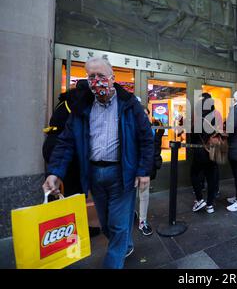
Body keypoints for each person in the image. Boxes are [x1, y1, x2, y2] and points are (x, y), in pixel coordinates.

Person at [43, 57, 154, 269]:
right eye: (91, 76)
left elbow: (146, 139)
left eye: (101, 76)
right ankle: (126, 243)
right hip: (94, 175)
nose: (96, 81)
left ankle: (115, 258)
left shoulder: (130, 105)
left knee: (119, 226)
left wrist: (143, 170)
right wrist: (54, 172)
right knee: (106, 225)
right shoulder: (81, 108)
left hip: (122, 175)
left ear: (112, 79)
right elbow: (66, 142)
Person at [42, 79, 101, 238]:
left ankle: (58, 230)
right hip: (65, 148)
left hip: (52, 145)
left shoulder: (64, 101)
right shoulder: (79, 101)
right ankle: (75, 230)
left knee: (59, 189)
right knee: (75, 191)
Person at [135, 109, 164, 236]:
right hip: (131, 167)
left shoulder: (151, 130)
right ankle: (132, 215)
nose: (145, 117)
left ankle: (142, 221)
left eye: (147, 115)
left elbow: (153, 149)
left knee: (144, 194)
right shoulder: (130, 128)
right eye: (143, 114)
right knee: (129, 196)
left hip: (144, 167)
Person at [191, 93, 220, 214]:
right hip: (212, 151)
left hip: (200, 153)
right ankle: (210, 205)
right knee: (211, 178)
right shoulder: (215, 118)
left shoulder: (199, 120)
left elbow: (192, 137)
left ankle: (199, 199)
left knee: (194, 174)